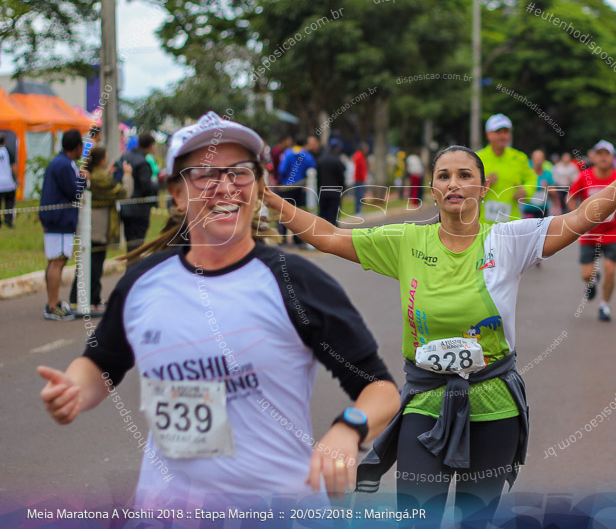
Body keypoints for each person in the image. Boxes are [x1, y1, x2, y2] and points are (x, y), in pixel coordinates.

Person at [263, 117, 616, 525]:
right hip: (425, 401)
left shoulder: (508, 240)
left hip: (494, 405)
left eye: (465, 175)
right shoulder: (407, 240)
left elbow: (579, 219)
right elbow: (328, 236)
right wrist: (267, 198)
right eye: (444, 176)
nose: (454, 183)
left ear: (483, 187)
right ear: (433, 188)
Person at [38, 111, 399, 509]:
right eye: (205, 174)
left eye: (240, 172)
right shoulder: (143, 285)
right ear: (177, 192)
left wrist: (348, 430)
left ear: (259, 187)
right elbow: (100, 364)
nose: (225, 187)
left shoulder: (295, 282)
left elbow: (379, 389)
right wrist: (72, 389)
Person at [568, 140, 616, 322]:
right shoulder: (585, 176)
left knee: (611, 270)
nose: (603, 157)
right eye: (600, 154)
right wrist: (576, 214)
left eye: (607, 154)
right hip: (589, 232)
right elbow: (571, 197)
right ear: (594, 157)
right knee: (585, 275)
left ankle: (605, 305)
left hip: (612, 231)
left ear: (612, 157)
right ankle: (593, 280)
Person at [68, 147, 133, 313]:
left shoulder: (95, 175)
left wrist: (107, 173)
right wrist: (126, 175)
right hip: (99, 226)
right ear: (101, 160)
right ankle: (90, 298)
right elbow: (123, 192)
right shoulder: (100, 177)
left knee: (87, 262)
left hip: (92, 224)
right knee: (95, 263)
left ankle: (82, 297)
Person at [39, 130, 87, 321]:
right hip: (59, 219)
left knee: (55, 260)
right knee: (57, 261)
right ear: (76, 147)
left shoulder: (60, 163)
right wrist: (84, 180)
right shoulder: (64, 165)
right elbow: (74, 191)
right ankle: (52, 305)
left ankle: (53, 302)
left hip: (55, 218)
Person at [476, 114, 534, 222]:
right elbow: (467, 186)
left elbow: (531, 178)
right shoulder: (477, 158)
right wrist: (483, 183)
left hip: (512, 222)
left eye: (506, 132)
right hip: (484, 223)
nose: (503, 136)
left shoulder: (519, 158)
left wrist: (526, 191)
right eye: (498, 132)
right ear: (488, 134)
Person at [116, 133, 159, 252]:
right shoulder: (143, 163)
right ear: (150, 146)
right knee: (137, 244)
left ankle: (130, 267)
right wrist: (156, 184)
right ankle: (133, 268)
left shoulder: (125, 156)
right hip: (139, 208)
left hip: (125, 206)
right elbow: (146, 186)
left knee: (130, 241)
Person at [277, 137, 317, 245]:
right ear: (304, 144)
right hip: (300, 188)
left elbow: (282, 169)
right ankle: (297, 238)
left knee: (284, 212)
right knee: (299, 212)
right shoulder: (307, 155)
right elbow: (312, 168)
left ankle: (282, 237)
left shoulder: (288, 153)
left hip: (286, 187)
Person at [316, 138, 346, 226]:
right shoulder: (337, 160)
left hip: (322, 191)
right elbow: (341, 176)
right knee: (333, 215)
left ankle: (321, 233)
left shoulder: (320, 159)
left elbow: (318, 176)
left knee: (322, 214)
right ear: (336, 148)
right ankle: (333, 234)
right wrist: (343, 188)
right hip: (335, 191)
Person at [522, 149, 553, 220]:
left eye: (540, 159)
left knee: (541, 230)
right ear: (532, 160)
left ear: (544, 160)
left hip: (543, 209)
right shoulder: (527, 174)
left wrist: (546, 187)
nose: (538, 161)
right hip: (529, 209)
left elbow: (554, 192)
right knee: (529, 230)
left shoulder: (547, 174)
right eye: (536, 159)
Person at [0, 135, 16, 228]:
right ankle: (8, 221)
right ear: (4, 141)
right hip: (8, 183)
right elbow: (13, 166)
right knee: (9, 203)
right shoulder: (8, 151)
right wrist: (17, 178)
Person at [352, 142, 370, 213]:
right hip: (358, 179)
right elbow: (359, 169)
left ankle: (359, 209)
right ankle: (358, 210)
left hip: (360, 179)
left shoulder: (360, 156)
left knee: (360, 195)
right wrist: (363, 177)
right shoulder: (359, 157)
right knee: (359, 195)